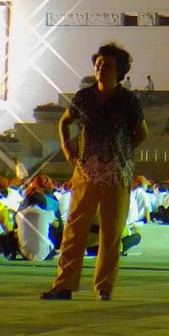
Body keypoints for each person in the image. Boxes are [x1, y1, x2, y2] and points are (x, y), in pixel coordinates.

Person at [40, 41, 148, 301]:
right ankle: (63, 285)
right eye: (98, 64)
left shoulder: (128, 100)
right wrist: (68, 151)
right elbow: (64, 122)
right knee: (74, 231)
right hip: (85, 173)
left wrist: (120, 152)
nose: (100, 68)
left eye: (107, 65)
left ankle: (103, 287)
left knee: (111, 235)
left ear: (119, 70)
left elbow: (141, 133)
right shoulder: (84, 97)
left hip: (116, 175)